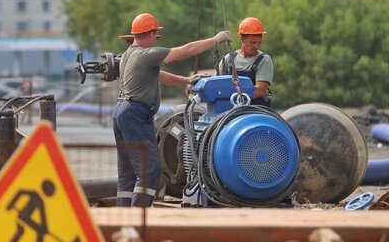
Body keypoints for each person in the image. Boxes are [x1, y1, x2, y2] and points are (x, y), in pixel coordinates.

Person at [113, 12, 232, 207]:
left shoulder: (128, 55)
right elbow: (187, 50)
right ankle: (138, 219)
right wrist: (216, 39)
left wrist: (185, 81)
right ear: (151, 34)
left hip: (120, 112)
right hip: (136, 114)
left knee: (127, 171)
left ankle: (123, 218)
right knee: (149, 170)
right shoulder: (148, 54)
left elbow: (159, 75)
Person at [218, 17, 273, 106]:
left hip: (256, 109)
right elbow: (216, 83)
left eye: (259, 42)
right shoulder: (229, 59)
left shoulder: (264, 60)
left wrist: (236, 98)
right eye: (252, 42)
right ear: (242, 39)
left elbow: (260, 90)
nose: (256, 46)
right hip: (230, 108)